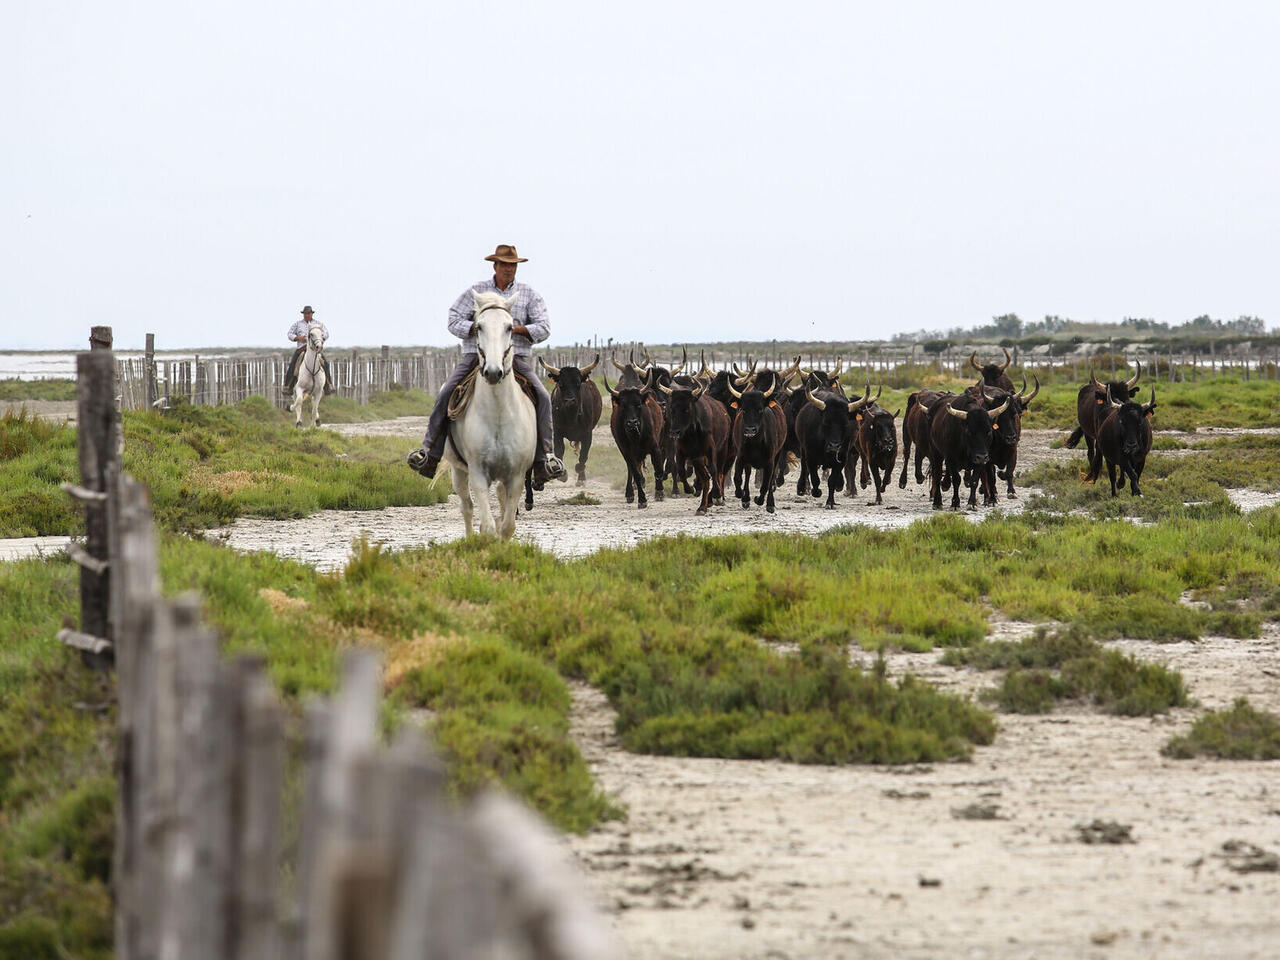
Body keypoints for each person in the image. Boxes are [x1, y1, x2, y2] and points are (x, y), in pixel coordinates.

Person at [408, 244, 566, 488]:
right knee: (447, 392)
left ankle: (545, 457)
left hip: (516, 359)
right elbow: (453, 319)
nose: (508, 269)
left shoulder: (528, 294)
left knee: (543, 396)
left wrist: (515, 329)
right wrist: (476, 327)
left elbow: (544, 327)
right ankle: (429, 452)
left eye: (512, 265)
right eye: (504, 264)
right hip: (475, 355)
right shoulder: (476, 292)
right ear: (495, 265)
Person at [284, 306, 334, 394]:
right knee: (292, 365)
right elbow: (289, 334)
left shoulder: (318, 324)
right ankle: (288, 386)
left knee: (325, 363)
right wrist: (297, 338)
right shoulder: (297, 324)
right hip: (302, 349)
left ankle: (328, 385)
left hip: (315, 349)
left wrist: (320, 339)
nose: (307, 315)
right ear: (303, 314)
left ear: (312, 314)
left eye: (308, 313)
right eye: (305, 314)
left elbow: (326, 333)